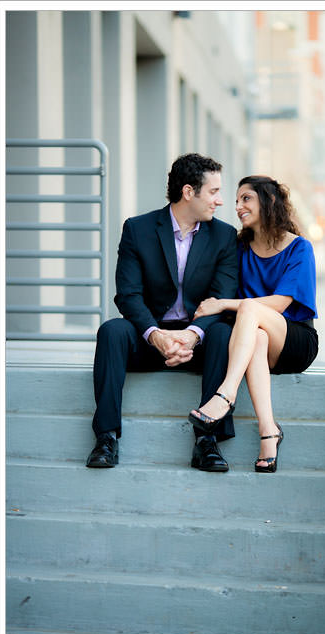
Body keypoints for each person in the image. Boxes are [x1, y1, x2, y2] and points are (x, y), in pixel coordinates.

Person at [86, 153, 238, 473]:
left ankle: (206, 441)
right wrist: (155, 335)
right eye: (213, 192)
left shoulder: (224, 236)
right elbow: (127, 294)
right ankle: (106, 436)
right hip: (149, 334)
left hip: (197, 339)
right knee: (112, 331)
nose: (221, 201)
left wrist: (191, 335)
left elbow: (222, 296)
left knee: (224, 332)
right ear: (188, 192)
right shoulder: (138, 229)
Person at [187, 175, 318, 473]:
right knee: (256, 336)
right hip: (255, 341)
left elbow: (282, 303)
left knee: (250, 308)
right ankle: (269, 432)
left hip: (294, 339)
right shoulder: (239, 248)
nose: (237, 206)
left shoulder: (299, 248)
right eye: (236, 201)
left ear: (269, 202)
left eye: (246, 198)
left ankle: (226, 394)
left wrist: (223, 303)